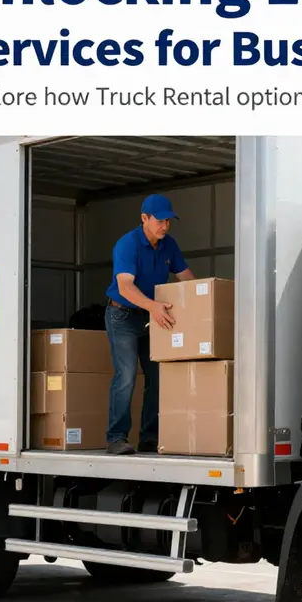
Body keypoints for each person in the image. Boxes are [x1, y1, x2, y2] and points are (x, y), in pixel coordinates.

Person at [103, 194, 195, 455]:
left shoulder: (169, 245)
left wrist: (205, 298)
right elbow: (125, 286)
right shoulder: (127, 244)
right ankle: (116, 438)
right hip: (122, 316)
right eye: (160, 221)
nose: (164, 226)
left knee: (157, 377)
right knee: (127, 374)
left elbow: (185, 278)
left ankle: (149, 438)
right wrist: (154, 306)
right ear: (144, 218)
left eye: (168, 221)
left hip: (151, 317)